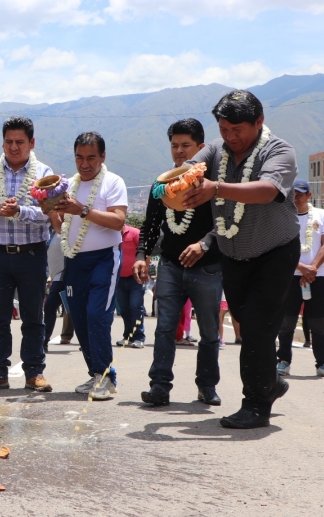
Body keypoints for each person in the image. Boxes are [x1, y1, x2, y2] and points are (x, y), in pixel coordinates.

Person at [182, 90, 300, 429]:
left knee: (260, 329)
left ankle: (256, 405)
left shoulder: (279, 150)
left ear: (258, 122)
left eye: (238, 130)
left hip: (275, 251)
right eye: (224, 130)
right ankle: (271, 383)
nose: (231, 137)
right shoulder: (216, 151)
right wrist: (176, 184)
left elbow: (267, 190)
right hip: (233, 252)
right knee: (247, 327)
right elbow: (191, 167)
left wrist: (215, 188)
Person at [134, 118, 223, 407]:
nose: (179, 152)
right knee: (164, 328)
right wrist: (141, 256)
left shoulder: (212, 185)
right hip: (171, 267)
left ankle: (207, 386)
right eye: (174, 146)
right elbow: (150, 225)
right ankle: (160, 386)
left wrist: (204, 244)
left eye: (186, 146)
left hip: (208, 268)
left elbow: (227, 222)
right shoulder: (161, 186)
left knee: (209, 331)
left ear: (201, 147)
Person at [0, 116, 54, 392]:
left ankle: (34, 373)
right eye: (9, 142)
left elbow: (48, 213)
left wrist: (20, 211)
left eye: (20, 142)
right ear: (3, 142)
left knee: (33, 316)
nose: (14, 147)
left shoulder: (44, 173)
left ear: (32, 142)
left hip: (32, 254)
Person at [50, 131, 127, 399]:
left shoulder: (113, 182)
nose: (85, 164)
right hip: (74, 261)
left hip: (105, 259)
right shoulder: (68, 186)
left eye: (91, 158)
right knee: (80, 317)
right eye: (79, 158)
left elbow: (118, 221)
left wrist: (82, 210)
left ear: (103, 157)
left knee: (97, 315)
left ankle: (107, 378)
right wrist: (50, 209)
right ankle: (95, 374)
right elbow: (61, 228)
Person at [276, 178, 324, 379]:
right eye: (292, 193)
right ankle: (283, 361)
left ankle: (323, 364)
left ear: (309, 195)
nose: (296, 198)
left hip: (317, 276)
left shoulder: (322, 215)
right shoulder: (282, 216)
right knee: (287, 323)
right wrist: (301, 267)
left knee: (318, 323)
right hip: (289, 276)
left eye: (300, 194)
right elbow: (279, 249)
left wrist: (311, 269)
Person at [43, 229, 74, 353]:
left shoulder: (69, 230)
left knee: (51, 306)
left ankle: (44, 341)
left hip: (65, 277)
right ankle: (43, 342)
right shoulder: (51, 231)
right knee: (52, 308)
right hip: (56, 276)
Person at [115, 225, 145, 348]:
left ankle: (139, 337)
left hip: (135, 278)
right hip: (118, 279)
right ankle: (128, 336)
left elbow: (145, 252)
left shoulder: (134, 233)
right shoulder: (109, 235)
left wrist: (144, 271)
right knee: (124, 309)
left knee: (136, 307)